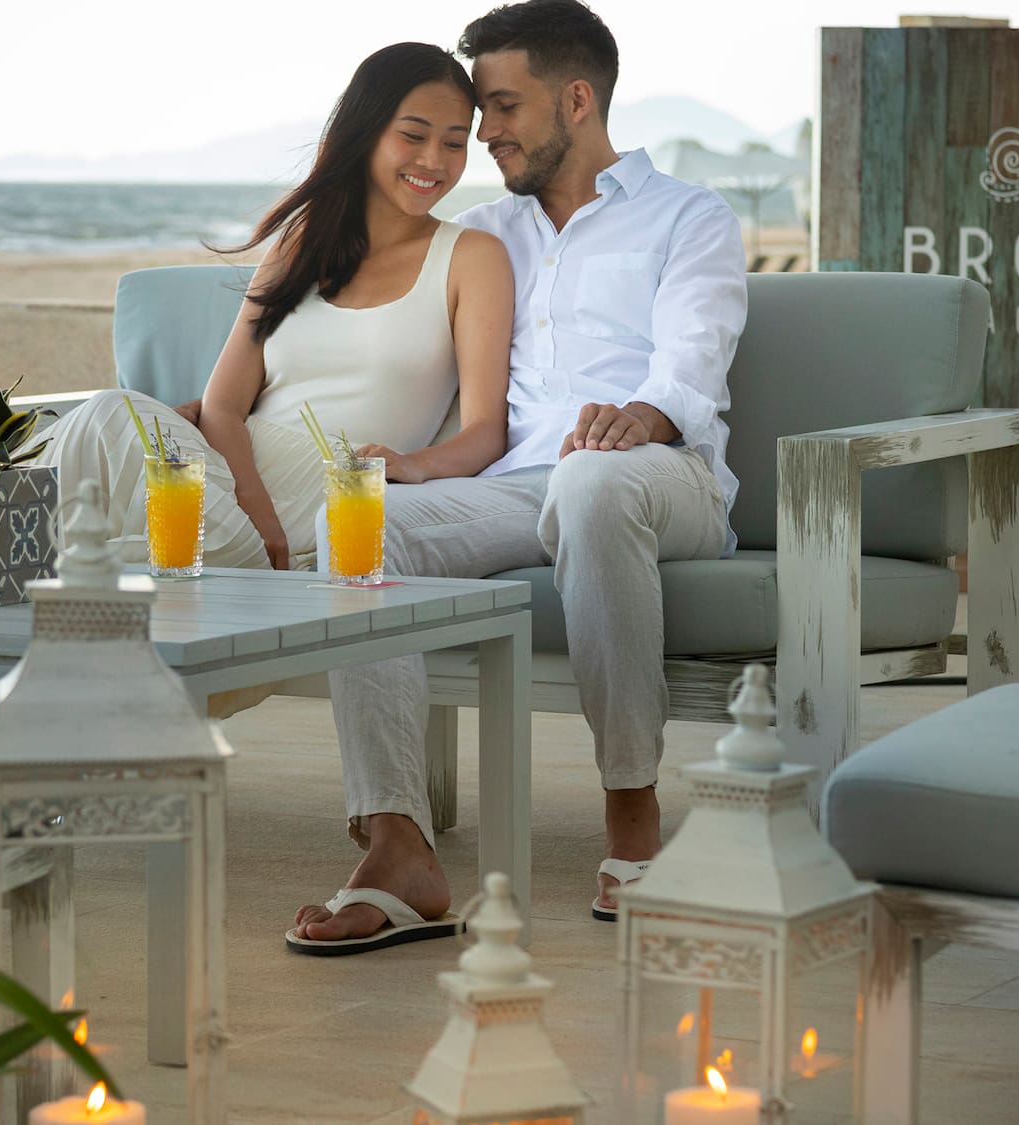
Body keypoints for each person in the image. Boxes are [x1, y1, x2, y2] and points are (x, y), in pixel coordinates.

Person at [288, 0, 747, 954]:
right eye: (480, 112)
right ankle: (397, 845)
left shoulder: (688, 216)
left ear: (576, 100)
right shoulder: (485, 234)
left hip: (662, 475)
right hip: (517, 483)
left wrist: (644, 414)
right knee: (357, 523)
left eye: (502, 108)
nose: (483, 132)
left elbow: (695, 355)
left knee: (592, 482)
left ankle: (632, 813)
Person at [36, 42, 513, 576]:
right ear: (365, 133)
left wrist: (411, 466)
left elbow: (484, 432)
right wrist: (252, 505)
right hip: (234, 486)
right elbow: (223, 405)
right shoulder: (301, 245)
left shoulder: (471, 257)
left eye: (454, 143)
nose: (434, 161)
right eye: (413, 135)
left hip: (329, 501)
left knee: (100, 480)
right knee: (105, 421)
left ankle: (15, 570)